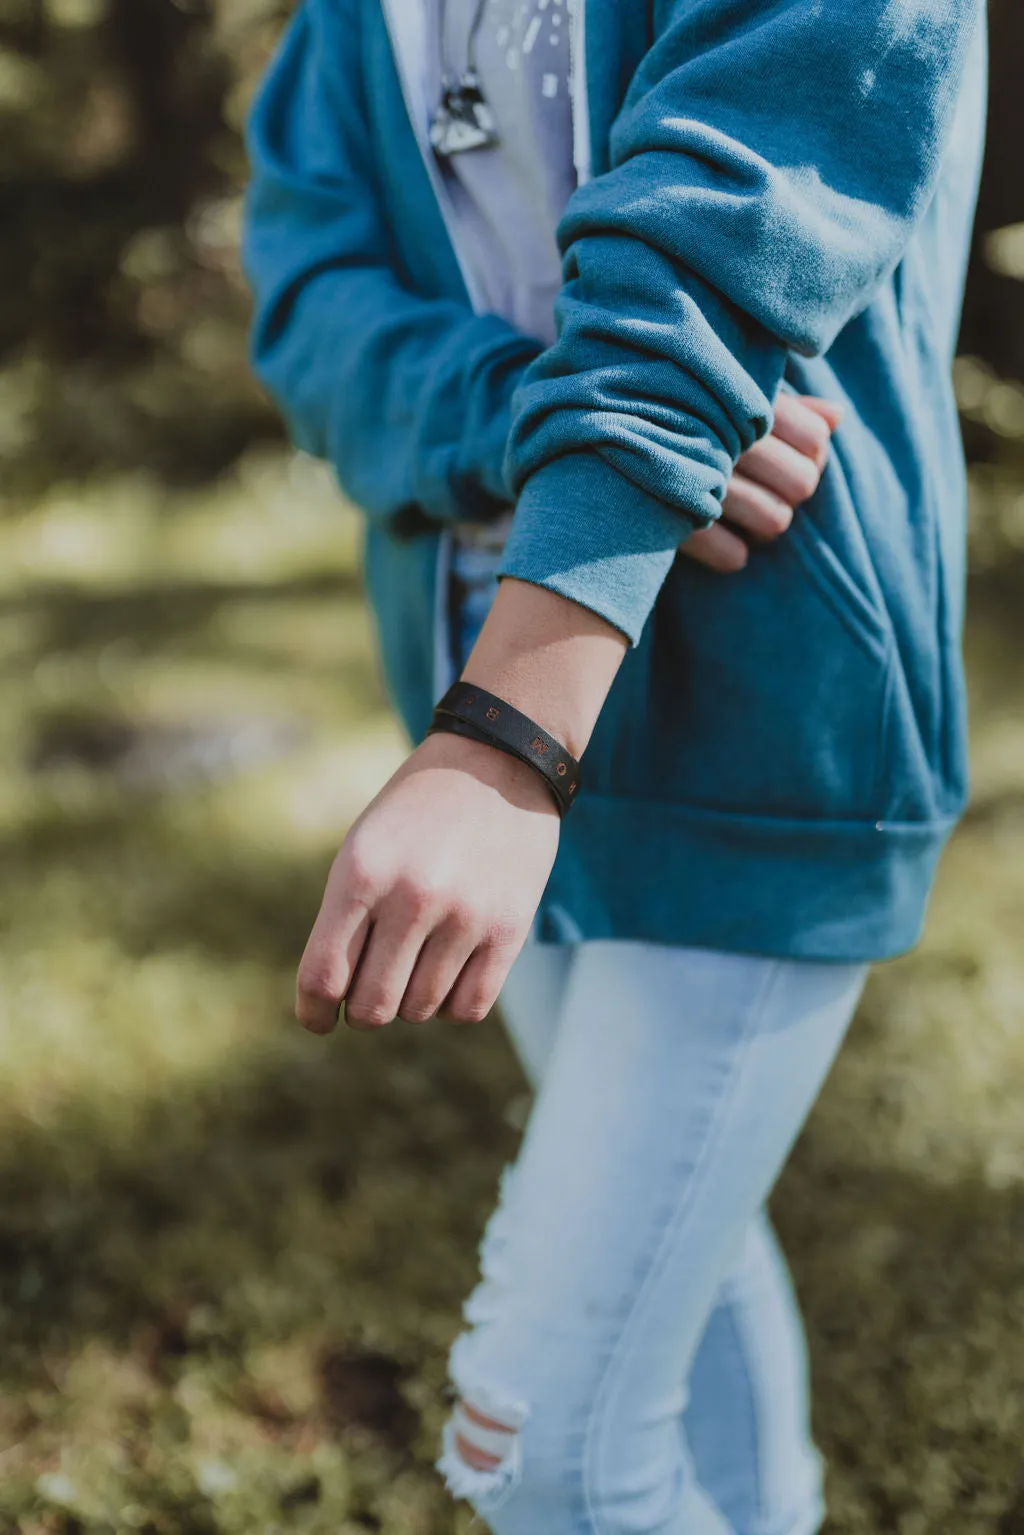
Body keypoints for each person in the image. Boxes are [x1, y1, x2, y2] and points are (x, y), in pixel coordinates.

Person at [242, 0, 986, 1529]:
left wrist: (504, 737)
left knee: (547, 1448)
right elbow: (307, 292)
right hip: (482, 723)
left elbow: (729, 221)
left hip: (761, 725)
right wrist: (527, 411)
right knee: (686, 1276)